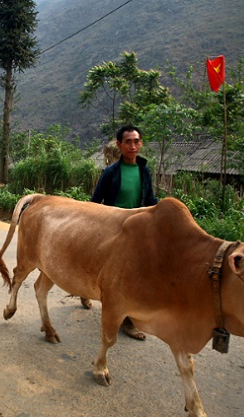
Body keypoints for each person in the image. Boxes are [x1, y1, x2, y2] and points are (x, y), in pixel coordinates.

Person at [87, 125, 158, 341]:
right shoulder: (110, 173)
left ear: (141, 143)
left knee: (133, 278)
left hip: (137, 231)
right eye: (128, 141)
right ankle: (85, 292)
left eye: (136, 141)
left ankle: (128, 321)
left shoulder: (144, 171)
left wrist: (165, 210)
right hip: (112, 230)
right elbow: (95, 201)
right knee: (105, 272)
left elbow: (150, 200)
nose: (133, 145)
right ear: (119, 145)